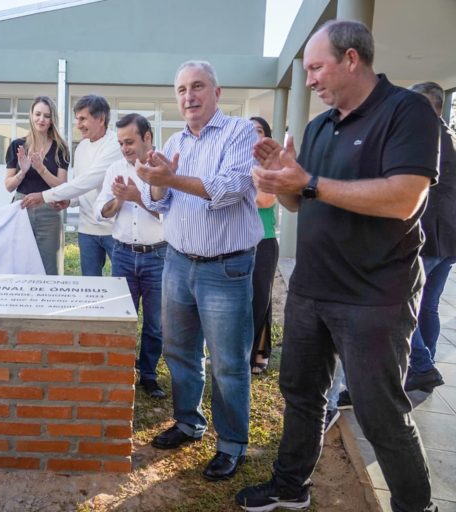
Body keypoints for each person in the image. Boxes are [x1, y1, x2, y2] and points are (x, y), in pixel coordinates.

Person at [236, 21, 439, 512]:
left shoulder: (406, 110)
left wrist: (308, 183)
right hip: (312, 288)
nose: (308, 80)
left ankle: (416, 506)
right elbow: (298, 203)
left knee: (379, 413)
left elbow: (405, 198)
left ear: (352, 59)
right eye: (305, 69)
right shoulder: (319, 125)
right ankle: (290, 486)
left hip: (375, 296)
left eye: (316, 67)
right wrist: (282, 180)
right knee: (301, 394)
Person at [137, 60, 262, 481]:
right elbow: (158, 202)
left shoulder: (240, 132)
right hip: (177, 262)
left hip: (224, 270)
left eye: (197, 87)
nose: (188, 97)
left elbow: (228, 190)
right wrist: (157, 179)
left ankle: (231, 445)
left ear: (216, 92)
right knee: (179, 351)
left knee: (228, 362)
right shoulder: (176, 140)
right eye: (181, 90)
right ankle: (189, 422)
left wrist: (169, 178)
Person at [94, 113, 167, 399]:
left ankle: (149, 375)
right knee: (122, 320)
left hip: (158, 255)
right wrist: (121, 198)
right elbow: (101, 212)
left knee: (154, 322)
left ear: (147, 137)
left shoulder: (162, 169)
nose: (125, 148)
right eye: (121, 142)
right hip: (122, 254)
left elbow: (167, 214)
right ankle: (122, 373)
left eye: (130, 141)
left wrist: (138, 197)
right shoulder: (114, 169)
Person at [21, 94, 121, 276]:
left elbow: (90, 180)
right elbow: (81, 187)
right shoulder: (81, 148)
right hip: (87, 231)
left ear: (101, 119)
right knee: (91, 286)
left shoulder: (115, 144)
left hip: (114, 230)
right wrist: (70, 202)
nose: (78, 125)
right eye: (77, 119)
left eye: (83, 119)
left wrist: (44, 196)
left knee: (122, 284)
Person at [405, 81, 456, 393]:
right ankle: (426, 366)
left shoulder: (428, 136)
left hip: (431, 235)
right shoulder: (449, 135)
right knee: (428, 306)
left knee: (401, 302)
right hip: (449, 238)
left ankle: (422, 366)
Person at [5, 96, 70, 275]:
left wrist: (41, 169)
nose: (41, 119)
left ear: (52, 120)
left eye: (46, 116)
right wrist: (23, 171)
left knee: (49, 267)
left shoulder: (61, 148)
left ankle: (49, 302)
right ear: (31, 115)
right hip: (21, 210)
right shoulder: (17, 145)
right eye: (38, 114)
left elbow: (62, 188)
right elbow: (9, 186)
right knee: (20, 264)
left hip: (49, 212)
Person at [249, 116, 279, 374]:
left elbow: (266, 200)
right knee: (243, 300)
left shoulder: (271, 164)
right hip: (239, 240)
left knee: (260, 300)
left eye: (258, 130)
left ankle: (256, 354)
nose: (253, 135)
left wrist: (233, 191)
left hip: (264, 240)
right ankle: (257, 350)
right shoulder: (238, 160)